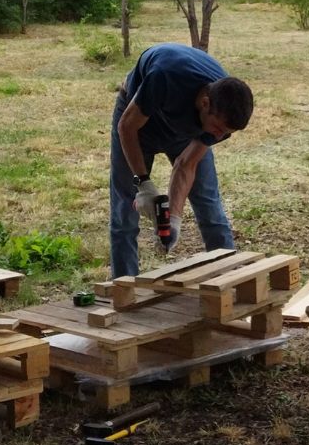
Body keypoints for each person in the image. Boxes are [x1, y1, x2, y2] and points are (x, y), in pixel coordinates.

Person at [108, 43, 255, 278]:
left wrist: (173, 220)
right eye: (217, 129)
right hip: (137, 122)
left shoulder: (222, 115)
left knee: (210, 207)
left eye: (225, 133)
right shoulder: (165, 76)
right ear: (205, 103)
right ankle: (124, 290)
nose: (218, 137)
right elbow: (127, 126)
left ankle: (228, 283)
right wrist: (143, 184)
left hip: (185, 130)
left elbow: (186, 165)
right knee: (125, 210)